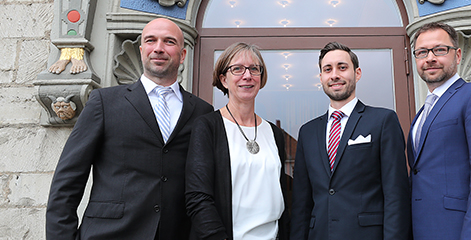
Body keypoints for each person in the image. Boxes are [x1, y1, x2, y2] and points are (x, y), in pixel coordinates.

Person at [45, 18, 213, 240]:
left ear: (182, 54)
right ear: (142, 50)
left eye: (169, 41)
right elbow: (67, 180)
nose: (159, 48)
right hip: (108, 233)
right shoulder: (104, 102)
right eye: (151, 41)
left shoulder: (202, 111)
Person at [290, 42, 411, 240]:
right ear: (321, 77)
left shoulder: (383, 121)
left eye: (342, 67)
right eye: (327, 69)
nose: (334, 75)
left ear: (357, 73)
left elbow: (396, 195)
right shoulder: (308, 132)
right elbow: (301, 203)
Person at [408, 22, 471, 240]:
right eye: (422, 52)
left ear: (458, 54)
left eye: (440, 50)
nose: (430, 58)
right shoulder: (422, 114)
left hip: (462, 232)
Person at [185, 42, 290, 240]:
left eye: (254, 69)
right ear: (224, 79)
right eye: (238, 69)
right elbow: (197, 197)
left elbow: (282, 194)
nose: (247, 75)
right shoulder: (207, 127)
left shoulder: (275, 134)